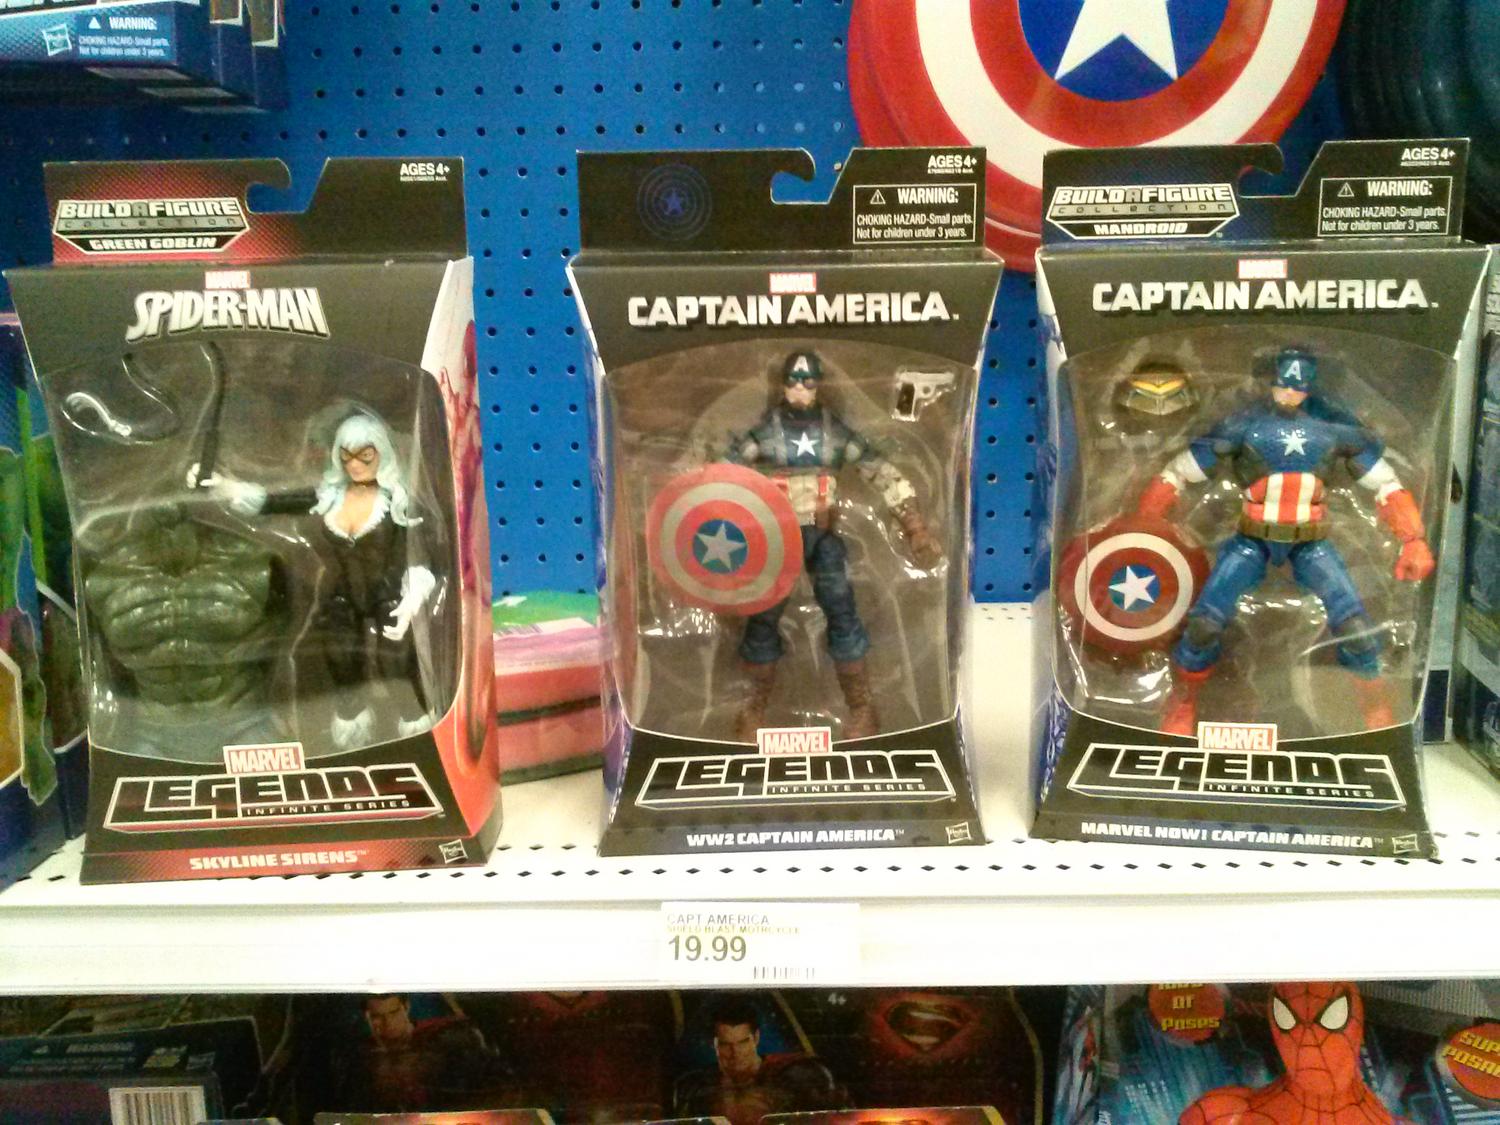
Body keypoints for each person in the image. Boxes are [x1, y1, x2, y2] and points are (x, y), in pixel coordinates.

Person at [1136, 348, 1434, 734]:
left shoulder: (1333, 428)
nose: (1290, 393)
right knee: (1204, 625)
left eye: (1298, 386)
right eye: (1284, 384)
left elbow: (1386, 483)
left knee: (1356, 629)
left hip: (1311, 544)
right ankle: (1184, 699)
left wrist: (1413, 539)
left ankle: (1375, 707)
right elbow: (1178, 472)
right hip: (1251, 541)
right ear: (1272, 381)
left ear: (1310, 386)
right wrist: (1143, 526)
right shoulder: (1246, 425)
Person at [725, 350, 941, 740]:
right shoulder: (767, 431)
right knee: (763, 620)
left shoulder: (834, 432)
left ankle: (861, 708)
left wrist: (914, 526)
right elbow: (722, 474)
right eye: (793, 381)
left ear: (819, 385)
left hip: (822, 538)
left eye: (808, 382)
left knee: (842, 614)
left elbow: (880, 472)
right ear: (782, 385)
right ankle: (753, 708)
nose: (800, 389)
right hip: (777, 541)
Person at [200, 411, 437, 749]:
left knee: (395, 663)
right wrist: (226, 486)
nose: (355, 464)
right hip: (341, 595)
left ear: (381, 453)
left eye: (365, 455)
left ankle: (419, 733)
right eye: (347, 455)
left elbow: (422, 553)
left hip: (389, 595)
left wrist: (412, 598)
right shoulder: (330, 496)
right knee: (340, 660)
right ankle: (351, 736)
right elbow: (274, 501)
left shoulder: (398, 502)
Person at [674, 995, 842, 1125]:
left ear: (756, 1038)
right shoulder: (696, 1085)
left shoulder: (796, 1074)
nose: (735, 1053)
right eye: (726, 1044)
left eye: (742, 1042)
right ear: (714, 1044)